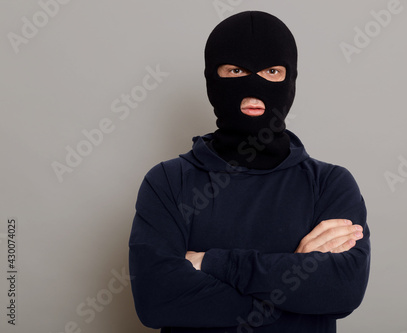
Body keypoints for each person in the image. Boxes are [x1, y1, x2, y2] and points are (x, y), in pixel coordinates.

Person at [129, 10, 370, 333]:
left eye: (272, 71)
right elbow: (155, 300)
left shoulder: (329, 184)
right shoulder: (169, 182)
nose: (254, 86)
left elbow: (342, 289)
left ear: (291, 78)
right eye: (236, 70)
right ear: (213, 78)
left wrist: (211, 263)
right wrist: (291, 284)